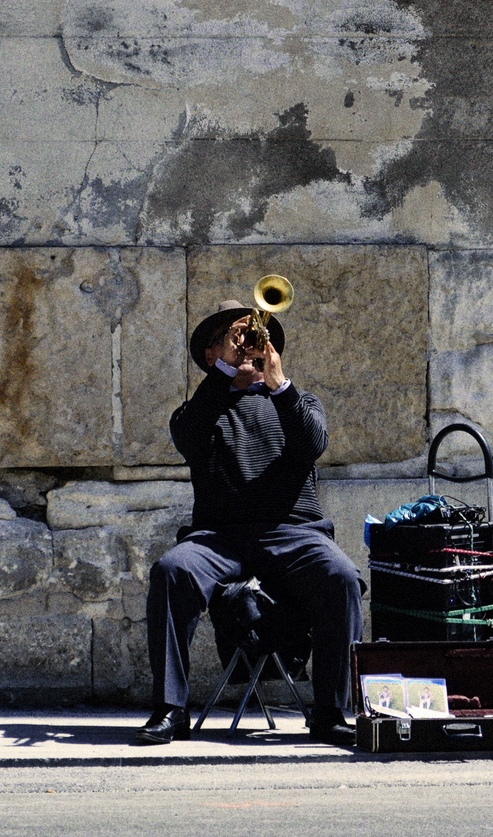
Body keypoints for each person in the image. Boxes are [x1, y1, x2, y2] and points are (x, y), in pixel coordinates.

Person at [133, 300, 364, 747]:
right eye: (234, 338)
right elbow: (188, 437)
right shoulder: (201, 408)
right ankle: (170, 709)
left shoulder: (299, 402)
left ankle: (330, 713)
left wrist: (279, 385)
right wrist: (225, 374)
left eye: (257, 338)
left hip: (294, 532)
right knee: (171, 571)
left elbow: (312, 443)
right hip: (220, 536)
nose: (250, 346)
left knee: (342, 579)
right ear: (210, 355)